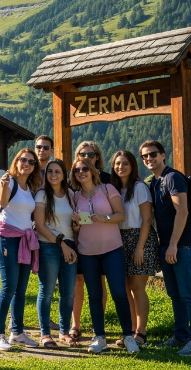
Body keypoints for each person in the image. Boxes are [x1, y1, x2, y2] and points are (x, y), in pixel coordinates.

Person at [140, 140, 191, 356]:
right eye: (145, 156)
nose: (149, 158)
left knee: (189, 294)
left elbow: (182, 212)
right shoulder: (154, 181)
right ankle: (180, 336)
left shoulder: (173, 178)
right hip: (168, 245)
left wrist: (173, 245)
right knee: (175, 293)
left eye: (153, 154)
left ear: (163, 154)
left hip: (183, 245)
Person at [70, 158, 139, 354]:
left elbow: (120, 215)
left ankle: (128, 336)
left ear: (92, 170)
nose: (81, 172)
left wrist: (104, 218)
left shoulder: (107, 189)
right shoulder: (76, 197)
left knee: (119, 292)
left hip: (112, 249)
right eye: (77, 170)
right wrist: (75, 222)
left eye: (85, 168)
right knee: (95, 296)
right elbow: (76, 228)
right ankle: (99, 337)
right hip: (87, 252)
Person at [0, 149, 41, 351]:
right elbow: (2, 202)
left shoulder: (29, 187)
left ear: (34, 166)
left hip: (23, 241)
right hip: (7, 239)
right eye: (22, 159)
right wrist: (2, 186)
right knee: (8, 286)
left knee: (20, 290)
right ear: (16, 161)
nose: (26, 163)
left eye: (30, 161)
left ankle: (17, 333)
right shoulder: (9, 180)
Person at [110, 150, 159, 347]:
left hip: (140, 238)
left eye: (125, 164)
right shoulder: (112, 189)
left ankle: (141, 333)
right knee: (124, 289)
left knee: (138, 288)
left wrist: (139, 247)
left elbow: (147, 219)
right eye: (117, 164)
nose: (120, 167)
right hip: (118, 239)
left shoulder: (139, 187)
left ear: (132, 167)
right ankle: (129, 331)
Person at [33, 160, 78, 348]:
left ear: (64, 174)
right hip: (49, 246)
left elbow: (74, 225)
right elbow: (40, 226)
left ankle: (64, 331)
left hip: (69, 245)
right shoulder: (42, 194)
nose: (53, 174)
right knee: (47, 291)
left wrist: (76, 225)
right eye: (50, 171)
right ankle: (45, 334)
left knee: (68, 293)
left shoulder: (70, 194)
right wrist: (62, 245)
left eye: (57, 171)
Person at [69, 140, 109, 340]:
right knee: (77, 281)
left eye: (90, 155)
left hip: (103, 241)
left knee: (99, 283)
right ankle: (75, 325)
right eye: (82, 155)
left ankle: (97, 326)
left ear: (97, 157)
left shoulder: (108, 181)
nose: (86, 158)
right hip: (77, 239)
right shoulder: (72, 180)